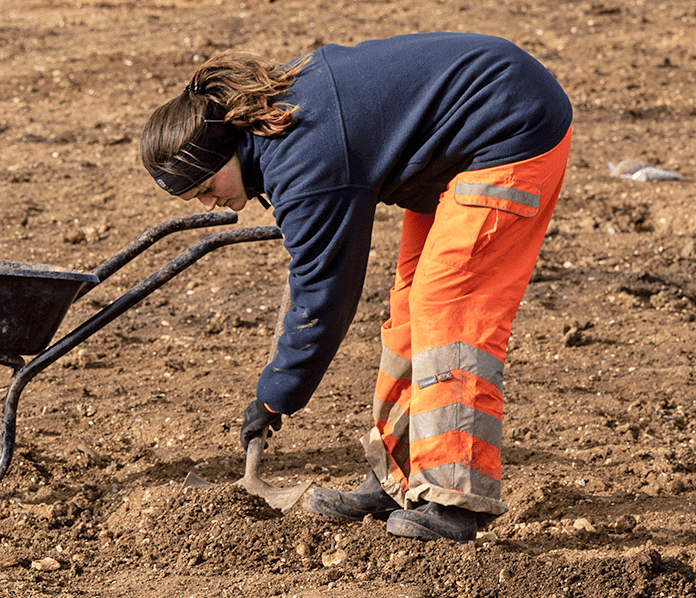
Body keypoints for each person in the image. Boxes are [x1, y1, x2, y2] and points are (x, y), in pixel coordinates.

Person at [135, 32, 573, 542]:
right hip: (458, 142)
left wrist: (277, 394)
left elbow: (324, 297)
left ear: (227, 149)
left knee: (449, 307)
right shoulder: (272, 129)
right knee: (412, 306)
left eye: (207, 188)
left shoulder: (305, 161)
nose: (209, 205)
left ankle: (453, 499)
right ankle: (400, 477)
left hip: (509, 125)